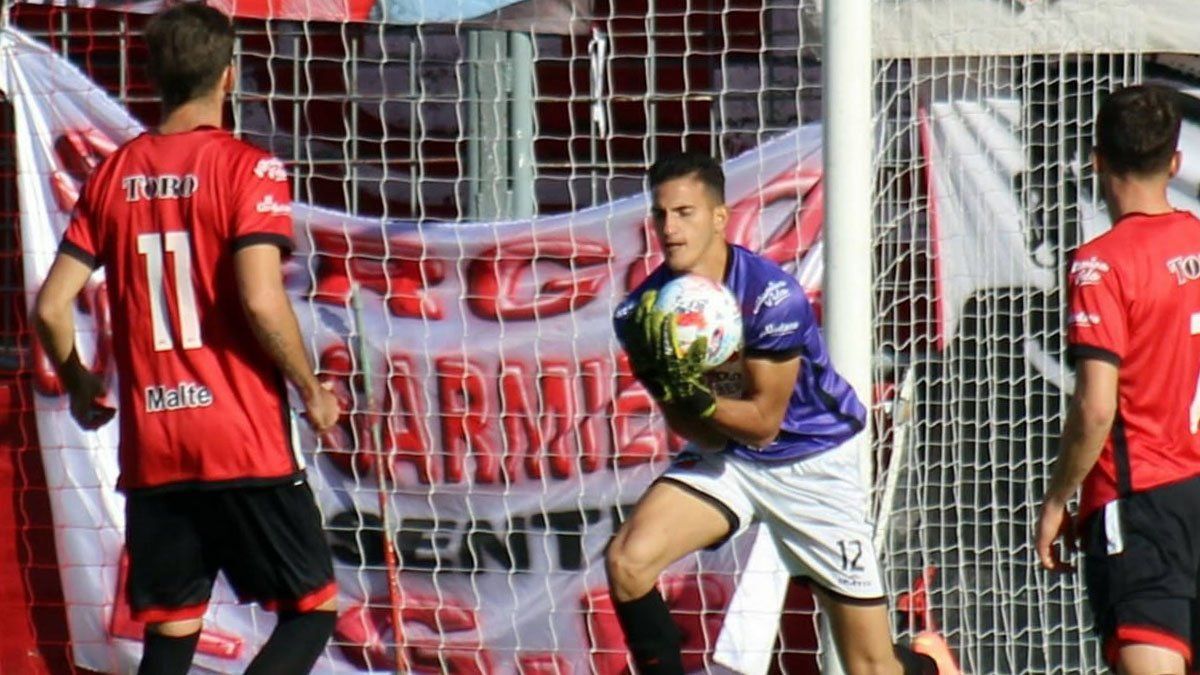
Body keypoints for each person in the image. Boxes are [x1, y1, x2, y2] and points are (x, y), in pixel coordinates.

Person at [32, 4, 341, 674]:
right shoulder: (247, 168)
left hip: (156, 446)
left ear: (154, 77)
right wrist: (311, 386)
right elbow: (260, 297)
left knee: (173, 631)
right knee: (311, 609)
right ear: (230, 76)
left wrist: (82, 381)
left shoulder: (114, 174)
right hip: (239, 436)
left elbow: (53, 305)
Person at [608, 152, 947, 675]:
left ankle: (927, 666)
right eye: (660, 215)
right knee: (629, 562)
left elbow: (766, 422)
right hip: (733, 460)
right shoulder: (644, 313)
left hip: (812, 461)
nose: (670, 229)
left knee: (871, 667)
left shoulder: (770, 297)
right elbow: (706, 434)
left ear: (719, 217)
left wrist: (694, 394)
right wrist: (672, 388)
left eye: (685, 213)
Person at [1035, 84, 1200, 675]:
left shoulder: (1102, 262)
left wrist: (1058, 499)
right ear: (1174, 162)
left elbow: (1097, 407)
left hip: (1141, 500)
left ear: (1097, 158)